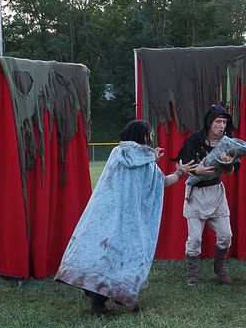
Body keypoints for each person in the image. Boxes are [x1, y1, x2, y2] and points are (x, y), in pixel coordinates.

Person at [55, 120, 195, 315]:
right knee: (127, 257)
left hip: (106, 216)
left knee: (103, 255)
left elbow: (127, 169)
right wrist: (181, 172)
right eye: (149, 135)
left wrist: (150, 158)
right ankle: (124, 295)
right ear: (144, 137)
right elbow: (161, 182)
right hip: (131, 222)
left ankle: (98, 300)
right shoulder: (148, 165)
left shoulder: (116, 153)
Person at [174, 104, 238, 286]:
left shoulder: (228, 142)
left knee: (226, 235)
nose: (222, 125)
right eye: (218, 121)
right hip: (196, 194)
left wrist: (228, 165)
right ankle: (192, 274)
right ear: (210, 122)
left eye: (224, 122)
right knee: (194, 239)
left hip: (216, 193)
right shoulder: (195, 139)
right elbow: (182, 166)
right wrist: (197, 171)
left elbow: (232, 172)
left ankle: (220, 267)